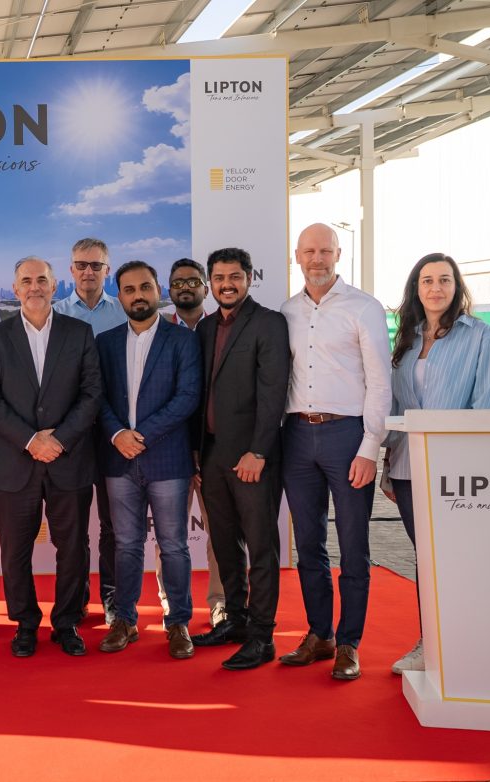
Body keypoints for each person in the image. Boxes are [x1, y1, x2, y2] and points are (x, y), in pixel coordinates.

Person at [384, 252, 490, 674]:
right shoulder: (408, 339)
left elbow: (488, 407)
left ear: (457, 287)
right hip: (407, 467)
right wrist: (388, 464)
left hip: (456, 471)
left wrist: (465, 459)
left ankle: (466, 642)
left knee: (457, 557)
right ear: (416, 289)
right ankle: (432, 644)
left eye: (444, 280)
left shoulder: (481, 336)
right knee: (427, 557)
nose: (435, 288)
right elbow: (397, 406)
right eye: (427, 280)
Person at [280, 223, 391, 681]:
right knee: (308, 544)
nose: (317, 259)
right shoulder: (287, 311)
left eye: (325, 251)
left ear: (338, 254)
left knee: (353, 544)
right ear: (297, 256)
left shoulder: (364, 307)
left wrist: (370, 447)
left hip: (348, 436)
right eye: (309, 251)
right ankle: (320, 634)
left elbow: (380, 382)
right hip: (296, 436)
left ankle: (349, 643)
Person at [0, 256, 101, 658]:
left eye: (42, 280)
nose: (34, 287)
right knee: (15, 550)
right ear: (15, 289)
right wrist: (31, 440)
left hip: (69, 458)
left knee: (73, 547)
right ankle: (26, 624)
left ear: (54, 285)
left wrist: (59, 440)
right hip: (13, 460)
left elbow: (91, 394)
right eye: (27, 281)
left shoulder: (79, 333)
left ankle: (67, 623)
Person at [189, 248, 290, 670]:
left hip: (253, 458)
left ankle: (262, 637)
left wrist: (259, 451)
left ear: (249, 278)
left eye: (234, 276)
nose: (226, 284)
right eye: (219, 277)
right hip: (211, 455)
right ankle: (235, 620)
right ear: (210, 283)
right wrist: (196, 452)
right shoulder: (205, 327)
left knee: (261, 547)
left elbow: (274, 393)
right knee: (224, 544)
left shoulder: (269, 323)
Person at [96, 261, 201, 659]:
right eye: (129, 289)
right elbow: (97, 397)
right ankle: (124, 620)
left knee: (173, 545)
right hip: (118, 458)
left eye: (144, 287)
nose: (137, 295)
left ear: (158, 290)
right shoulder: (105, 343)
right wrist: (117, 434)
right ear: (119, 295)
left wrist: (141, 435)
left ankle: (178, 623)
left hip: (168, 459)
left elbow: (187, 397)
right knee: (125, 545)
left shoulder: (182, 340)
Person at [52, 238, 126, 624]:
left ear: (107, 270)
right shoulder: (55, 314)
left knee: (113, 524)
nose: (88, 272)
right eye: (81, 265)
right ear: (71, 270)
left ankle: (112, 597)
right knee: (74, 525)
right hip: (72, 434)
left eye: (96, 265)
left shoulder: (124, 312)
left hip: (114, 432)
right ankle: (76, 598)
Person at [160, 257, 226, 629]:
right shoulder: (156, 330)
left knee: (221, 533)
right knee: (169, 535)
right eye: (178, 282)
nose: (185, 287)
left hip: (214, 450)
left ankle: (221, 603)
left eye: (192, 281)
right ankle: (171, 604)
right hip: (168, 449)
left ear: (205, 287)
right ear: (169, 289)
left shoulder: (221, 329)